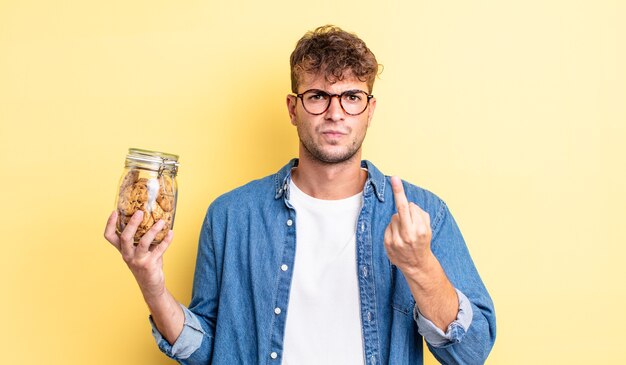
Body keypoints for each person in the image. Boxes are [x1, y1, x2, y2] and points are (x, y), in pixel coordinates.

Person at [104, 25, 496, 365]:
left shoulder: (421, 214)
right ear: (293, 108)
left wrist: (420, 266)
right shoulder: (231, 216)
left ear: (370, 109)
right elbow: (211, 351)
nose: (335, 113)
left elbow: (471, 352)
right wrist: (151, 286)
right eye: (318, 96)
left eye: (352, 97)